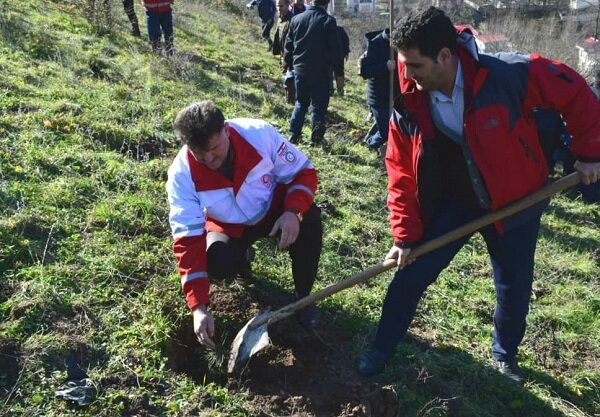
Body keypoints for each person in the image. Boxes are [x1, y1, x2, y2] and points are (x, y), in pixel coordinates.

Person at [357, 7, 600, 383]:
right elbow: (400, 171)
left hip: (515, 201)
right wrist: (404, 237)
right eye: (403, 63)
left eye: (415, 65)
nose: (408, 73)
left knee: (514, 287)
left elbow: (576, 92)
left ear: (444, 56)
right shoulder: (409, 100)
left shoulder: (508, 74)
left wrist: (588, 154)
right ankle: (380, 348)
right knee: (410, 275)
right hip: (454, 201)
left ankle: (505, 357)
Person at [166, 101, 323, 349]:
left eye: (214, 148)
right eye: (199, 153)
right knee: (216, 262)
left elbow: (303, 172)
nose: (209, 159)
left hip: (274, 210)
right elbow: (187, 238)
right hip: (229, 225)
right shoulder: (182, 175)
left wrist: (293, 211)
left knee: (310, 218)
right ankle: (242, 257)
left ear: (226, 130)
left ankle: (304, 297)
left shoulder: (259, 135)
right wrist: (198, 306)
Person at [284, 0, 344, 145]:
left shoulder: (296, 19)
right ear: (327, 3)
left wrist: (290, 65)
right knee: (319, 106)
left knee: (300, 103)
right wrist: (339, 75)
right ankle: (316, 138)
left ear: (312, 2)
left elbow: (288, 46)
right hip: (321, 72)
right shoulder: (328, 21)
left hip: (300, 70)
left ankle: (294, 135)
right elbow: (336, 51)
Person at [359, 28, 398, 151]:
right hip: (378, 97)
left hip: (396, 95)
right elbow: (365, 71)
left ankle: (371, 137)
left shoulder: (403, 44)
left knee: (392, 125)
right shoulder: (375, 44)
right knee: (386, 131)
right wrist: (385, 67)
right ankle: (370, 144)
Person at [273, 0, 295, 104]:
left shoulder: (293, 21)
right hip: (283, 55)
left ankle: (291, 103)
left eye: (281, 6)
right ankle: (288, 101)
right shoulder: (280, 18)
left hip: (291, 56)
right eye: (277, 6)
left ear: (288, 5)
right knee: (285, 79)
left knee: (290, 81)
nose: (279, 8)